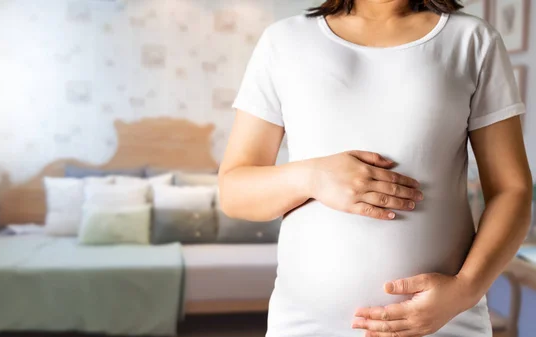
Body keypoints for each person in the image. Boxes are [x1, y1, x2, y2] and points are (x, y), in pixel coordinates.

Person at [217, 0, 533, 336]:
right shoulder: (283, 41)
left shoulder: (471, 39)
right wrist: (312, 177)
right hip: (305, 324)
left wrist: (465, 290)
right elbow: (234, 191)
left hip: (446, 322)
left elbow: (511, 190)